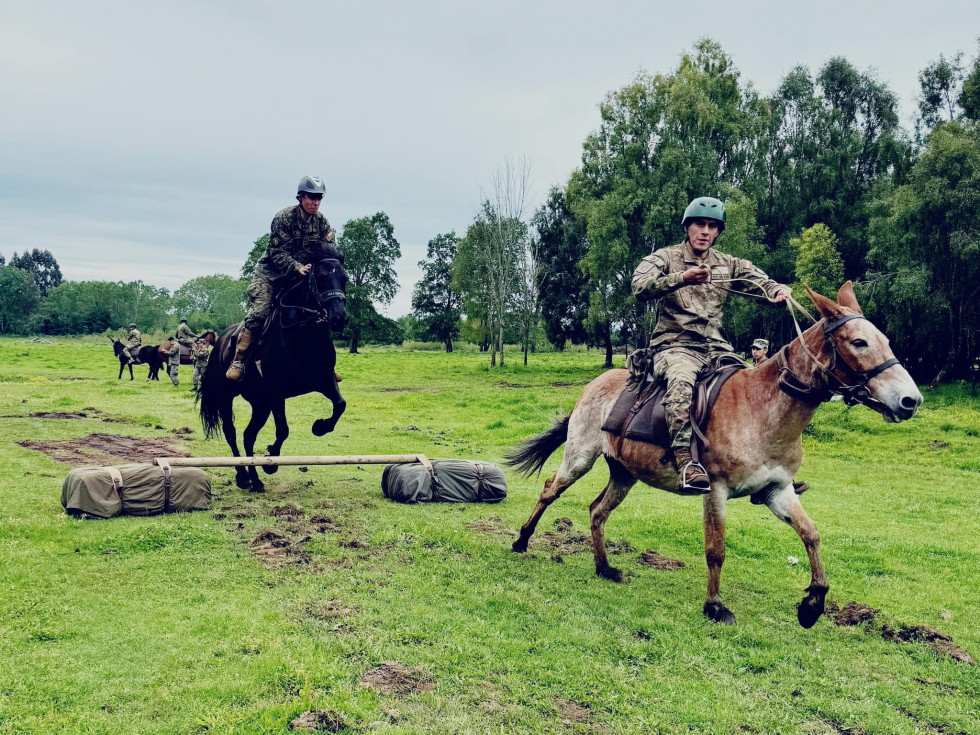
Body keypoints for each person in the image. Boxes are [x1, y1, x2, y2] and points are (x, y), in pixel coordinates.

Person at [631, 196, 791, 492]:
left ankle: (764, 466)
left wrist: (777, 290)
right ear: (688, 227)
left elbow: (760, 282)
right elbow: (639, 286)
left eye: (712, 226)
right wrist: (681, 278)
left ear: (718, 231)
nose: (705, 231)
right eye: (699, 224)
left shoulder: (728, 264)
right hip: (674, 345)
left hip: (718, 349)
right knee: (681, 384)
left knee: (757, 389)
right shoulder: (665, 258)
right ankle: (685, 462)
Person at [226, 175, 337, 381]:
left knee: (320, 311)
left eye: (319, 198)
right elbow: (277, 254)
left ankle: (323, 364)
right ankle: (239, 359)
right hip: (269, 276)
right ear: (300, 197)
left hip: (299, 277)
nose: (316, 202)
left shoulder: (322, 222)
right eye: (311, 197)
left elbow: (328, 249)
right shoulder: (283, 218)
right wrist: (298, 268)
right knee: (260, 311)